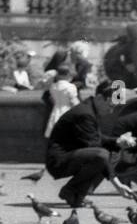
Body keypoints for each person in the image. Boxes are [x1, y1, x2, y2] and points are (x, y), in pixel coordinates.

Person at [43, 78, 127, 207]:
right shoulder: (85, 114)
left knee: (114, 149)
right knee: (102, 155)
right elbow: (97, 149)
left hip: (72, 154)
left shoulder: (89, 109)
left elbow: (96, 138)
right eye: (110, 106)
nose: (111, 112)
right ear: (99, 98)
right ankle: (71, 191)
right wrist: (118, 184)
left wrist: (117, 141)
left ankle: (79, 193)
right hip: (58, 161)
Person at [42, 65, 79, 139]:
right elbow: (74, 102)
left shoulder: (53, 86)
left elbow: (52, 100)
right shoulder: (71, 87)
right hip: (67, 110)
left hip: (56, 110)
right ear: (68, 74)